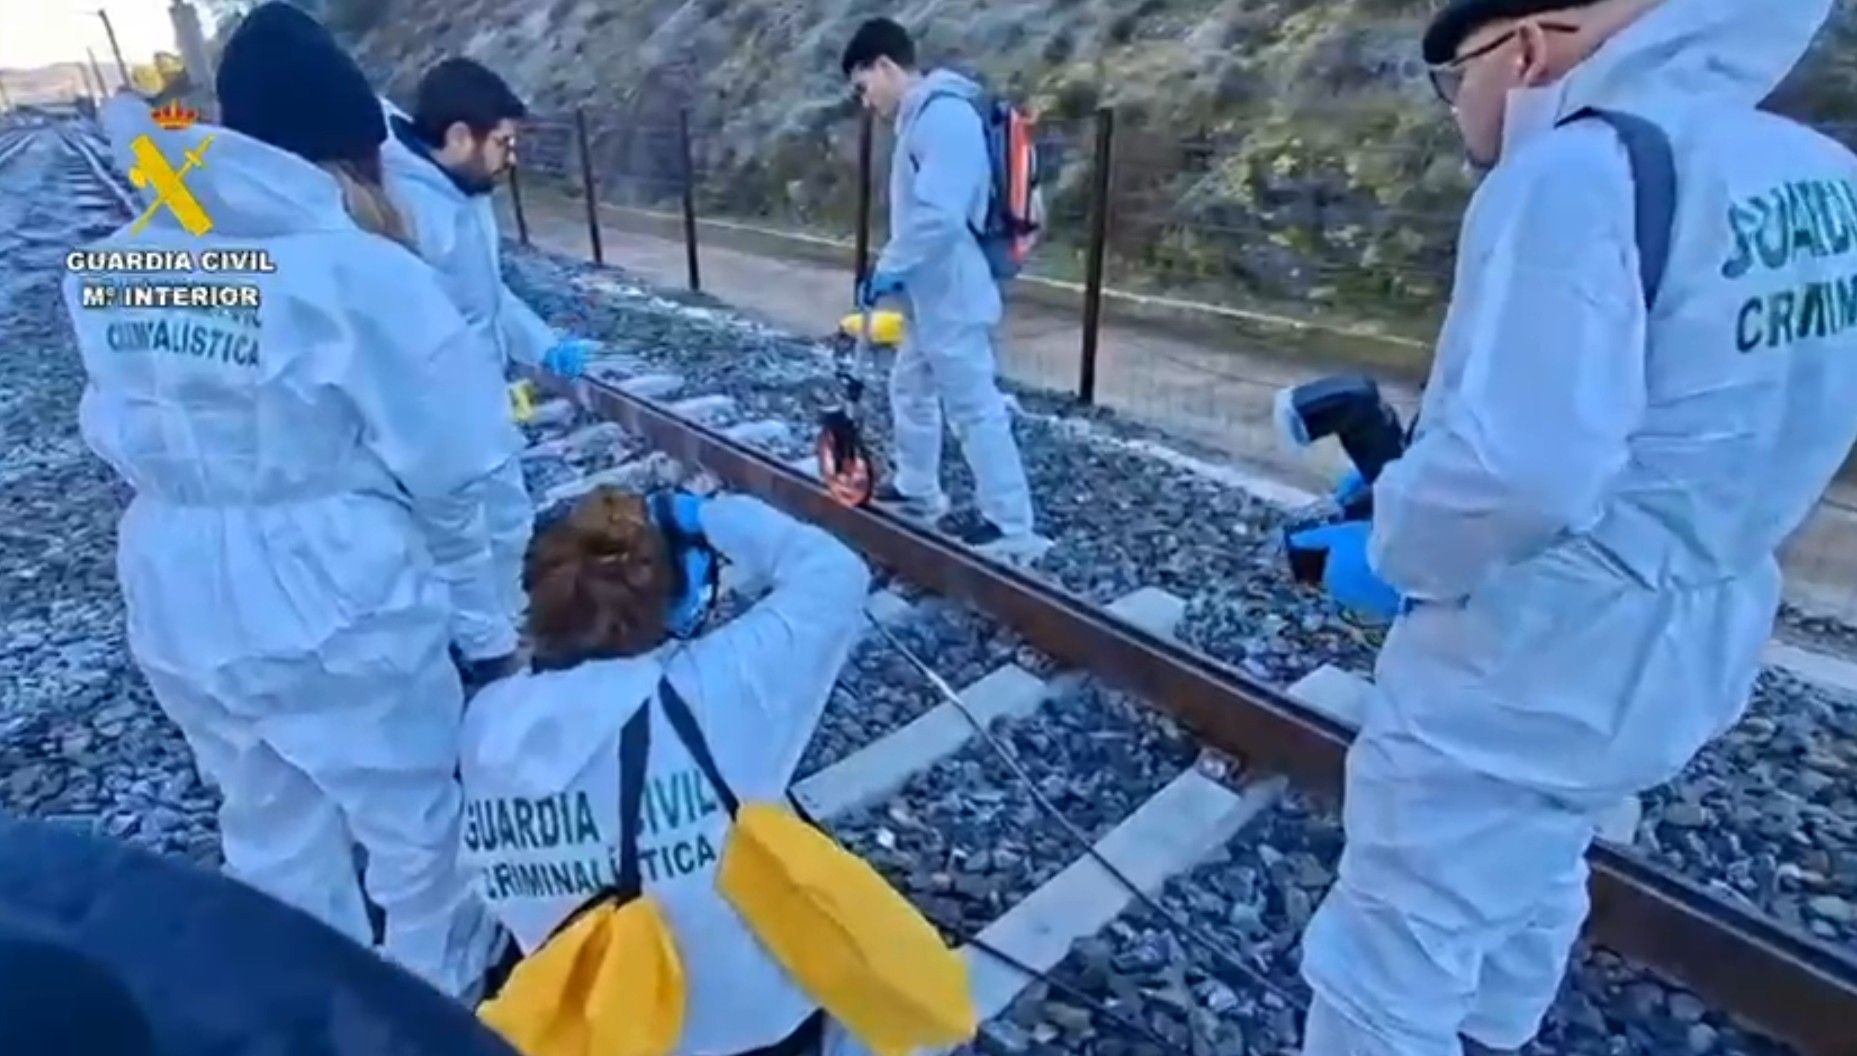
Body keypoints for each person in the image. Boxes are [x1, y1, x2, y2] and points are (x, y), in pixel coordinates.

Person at [1291, 1, 1857, 1054]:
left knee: (1396, 947)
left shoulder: (1573, 175)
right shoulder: (1815, 170)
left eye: (1452, 76)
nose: (1457, 107)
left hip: (1534, 647)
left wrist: (1398, 551)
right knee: (1544, 860)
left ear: (1525, 47)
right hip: (1701, 623)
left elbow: (1518, 474)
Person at [64, 1, 517, 997]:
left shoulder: (121, 263)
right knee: (418, 830)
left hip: (174, 578)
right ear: (349, 151)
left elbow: (124, 422)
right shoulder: (357, 273)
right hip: (331, 588)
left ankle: (303, 1021)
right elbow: (461, 478)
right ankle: (427, 1013)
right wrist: (487, 636)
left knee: (268, 829)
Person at [458, 486, 871, 1055]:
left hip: (609, 1029)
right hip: (753, 1026)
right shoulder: (715, 687)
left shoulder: (484, 723)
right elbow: (835, 573)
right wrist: (709, 515)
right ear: (675, 599)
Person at [381, 58, 595, 641]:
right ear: (457, 137)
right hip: (441, 414)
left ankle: (507, 627)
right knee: (458, 544)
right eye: (503, 142)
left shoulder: (461, 189)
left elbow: (487, 295)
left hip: (481, 399)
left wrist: (545, 347)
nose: (512, 156)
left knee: (505, 523)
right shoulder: (408, 208)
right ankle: (485, 651)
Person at [840, 18, 1046, 561]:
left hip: (953, 293)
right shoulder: (921, 118)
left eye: (864, 87)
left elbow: (939, 215)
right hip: (928, 297)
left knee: (974, 406)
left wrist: (889, 267)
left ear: (886, 66)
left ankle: (1010, 524)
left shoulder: (945, 115)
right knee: (910, 389)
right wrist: (897, 276)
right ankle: (916, 489)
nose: (866, 102)